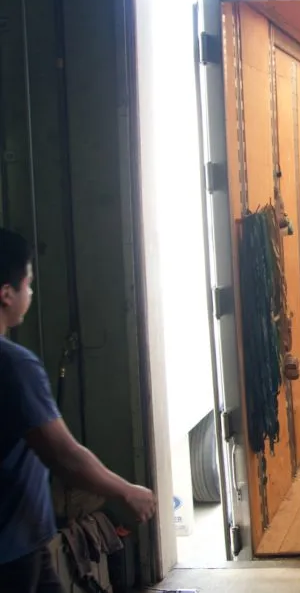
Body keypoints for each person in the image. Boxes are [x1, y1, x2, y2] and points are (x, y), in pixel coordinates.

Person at [0, 227, 156, 592]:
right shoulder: (14, 366)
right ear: (6, 294)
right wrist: (125, 491)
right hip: (13, 551)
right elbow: (63, 455)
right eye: (29, 284)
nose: (32, 293)